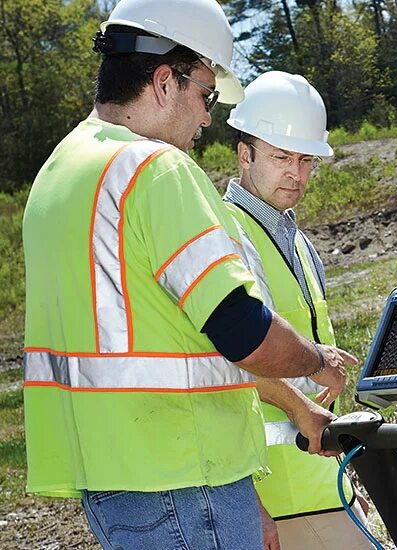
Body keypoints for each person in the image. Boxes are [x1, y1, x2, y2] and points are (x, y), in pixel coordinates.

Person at [21, 1, 355, 548]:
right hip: (184, 475)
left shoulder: (58, 175)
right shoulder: (155, 167)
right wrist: (315, 361)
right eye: (204, 94)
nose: (206, 118)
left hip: (108, 481)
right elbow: (241, 329)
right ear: (162, 81)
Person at [223, 71, 372, 550]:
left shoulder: (298, 241)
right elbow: (223, 365)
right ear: (245, 154)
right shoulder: (225, 233)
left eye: (306, 159)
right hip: (272, 494)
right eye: (281, 157)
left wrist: (345, 487)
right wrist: (250, 506)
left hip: (321, 484)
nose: (297, 173)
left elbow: (315, 370)